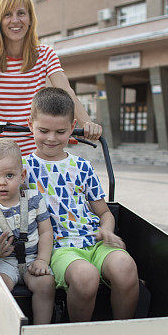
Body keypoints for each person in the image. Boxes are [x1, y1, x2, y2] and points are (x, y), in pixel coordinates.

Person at [0, 0, 102, 199]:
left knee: (41, 212)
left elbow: (66, 90)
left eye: (21, 13)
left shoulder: (44, 54)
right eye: (8, 14)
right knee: (0, 214)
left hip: (32, 152)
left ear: (30, 19)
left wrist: (87, 123)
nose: (15, 20)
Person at [21, 87, 138, 322]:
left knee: (126, 267)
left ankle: (122, 334)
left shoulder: (82, 167)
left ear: (73, 127)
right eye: (43, 130)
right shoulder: (22, 169)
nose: (52, 138)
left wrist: (106, 229)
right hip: (58, 246)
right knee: (85, 277)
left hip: (93, 240)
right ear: (30, 124)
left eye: (60, 131)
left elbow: (104, 212)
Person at [0, 138, 55, 324]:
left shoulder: (33, 199)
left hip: (32, 260)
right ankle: (6, 330)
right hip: (5, 262)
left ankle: (39, 331)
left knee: (46, 285)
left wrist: (42, 260)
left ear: (22, 176)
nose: (2, 183)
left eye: (9, 176)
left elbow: (46, 231)